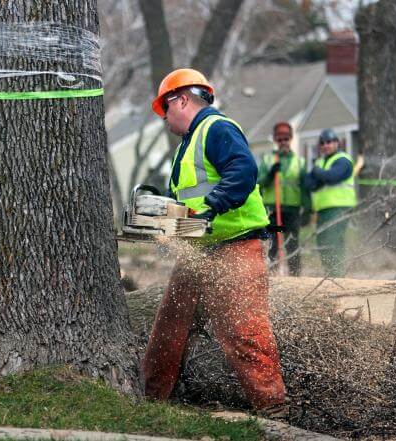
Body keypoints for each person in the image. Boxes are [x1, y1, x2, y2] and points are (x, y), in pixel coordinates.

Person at [142, 68, 286, 414]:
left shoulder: (216, 128)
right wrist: (166, 224)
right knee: (168, 327)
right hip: (199, 251)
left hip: (236, 245)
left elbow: (242, 171)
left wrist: (211, 208)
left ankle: (273, 408)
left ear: (180, 100)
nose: (164, 119)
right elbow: (188, 201)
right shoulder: (188, 145)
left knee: (244, 328)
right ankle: (150, 402)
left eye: (165, 110)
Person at [305, 128, 357, 277]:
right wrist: (321, 176)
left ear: (336, 143)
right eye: (323, 143)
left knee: (332, 241)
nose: (326, 145)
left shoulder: (343, 160)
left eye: (329, 142)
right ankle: (330, 275)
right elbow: (308, 183)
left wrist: (318, 174)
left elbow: (333, 176)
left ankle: (337, 276)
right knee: (322, 243)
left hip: (339, 207)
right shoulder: (321, 162)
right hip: (323, 210)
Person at [257, 122, 308, 276]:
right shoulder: (267, 160)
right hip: (272, 209)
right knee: (272, 245)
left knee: (292, 243)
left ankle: (295, 276)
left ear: (291, 139)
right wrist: (271, 174)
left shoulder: (299, 162)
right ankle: (273, 276)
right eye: (280, 139)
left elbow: (305, 187)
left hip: (292, 209)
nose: (283, 142)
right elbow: (259, 183)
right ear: (275, 140)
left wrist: (308, 208)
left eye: (286, 139)